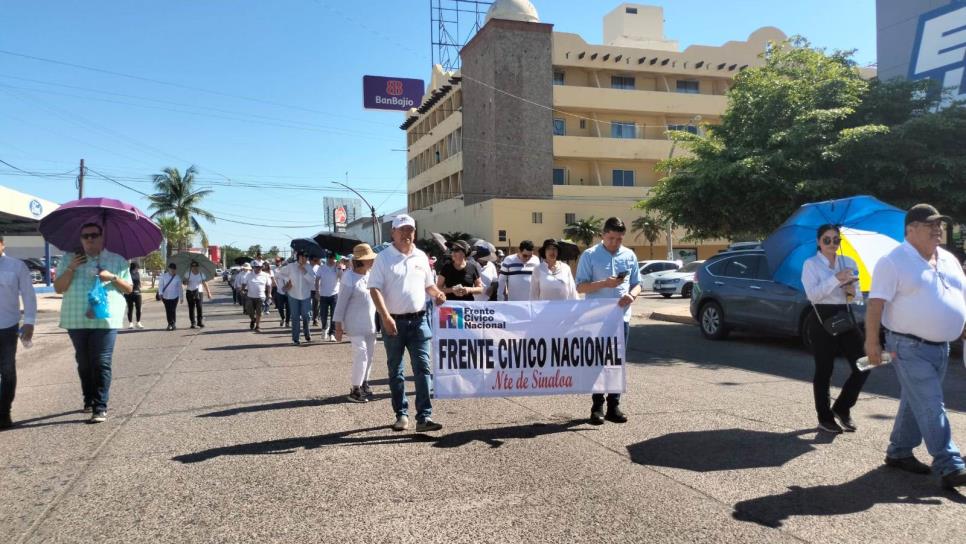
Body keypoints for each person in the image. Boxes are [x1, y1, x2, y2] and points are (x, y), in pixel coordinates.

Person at [865, 204, 966, 489]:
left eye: (940, 224)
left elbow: (961, 294)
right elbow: (875, 304)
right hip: (908, 346)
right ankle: (950, 464)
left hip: (942, 346)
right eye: (930, 224)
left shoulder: (947, 258)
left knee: (916, 400)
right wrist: (871, 341)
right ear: (910, 230)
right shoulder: (893, 261)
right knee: (932, 404)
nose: (938, 229)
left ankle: (899, 451)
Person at [369, 214, 447, 432]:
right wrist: (385, 316)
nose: (406, 234)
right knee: (396, 370)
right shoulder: (383, 258)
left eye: (410, 230)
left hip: (419, 320)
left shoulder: (421, 256)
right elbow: (374, 288)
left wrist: (438, 294)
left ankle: (424, 417)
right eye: (402, 230)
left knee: (423, 368)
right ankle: (401, 415)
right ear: (393, 232)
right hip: (393, 322)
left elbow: (429, 286)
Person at [53, 222, 133, 423]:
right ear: (80, 239)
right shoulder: (69, 259)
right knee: (84, 362)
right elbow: (58, 289)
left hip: (106, 319)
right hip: (76, 318)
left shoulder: (117, 260)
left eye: (94, 235)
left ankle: (100, 406)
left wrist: (112, 276)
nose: (89, 239)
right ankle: (88, 398)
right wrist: (71, 268)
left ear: (101, 237)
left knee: (102, 361)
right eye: (85, 236)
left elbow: (129, 289)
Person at [802, 225, 869, 433]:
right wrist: (835, 279)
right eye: (827, 240)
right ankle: (825, 417)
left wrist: (851, 291)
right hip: (821, 317)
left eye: (835, 240)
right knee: (825, 369)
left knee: (864, 363)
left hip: (843, 315)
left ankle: (842, 407)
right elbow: (812, 295)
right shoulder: (811, 264)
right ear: (818, 242)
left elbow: (857, 297)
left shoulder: (848, 262)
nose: (832, 244)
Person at [575, 217, 641, 425]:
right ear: (603, 235)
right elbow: (580, 287)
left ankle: (614, 405)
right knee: (598, 361)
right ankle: (597, 406)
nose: (614, 243)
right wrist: (605, 283)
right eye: (611, 238)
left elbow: (638, 283)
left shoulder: (629, 255)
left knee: (617, 362)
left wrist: (632, 295)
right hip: (596, 317)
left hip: (622, 317)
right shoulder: (590, 255)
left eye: (619, 239)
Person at [0, 234, 38, 429]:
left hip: (7, 327)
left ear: (2, 244)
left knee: (7, 371)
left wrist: (30, 321)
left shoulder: (16, 266)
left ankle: (4, 412)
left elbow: (29, 295)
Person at [334, 243, 379, 403]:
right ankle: (355, 389)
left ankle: (364, 382)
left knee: (370, 355)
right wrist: (338, 327)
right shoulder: (349, 278)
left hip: (370, 324)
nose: (373, 261)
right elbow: (340, 305)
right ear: (361, 261)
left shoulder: (371, 275)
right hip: (354, 325)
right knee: (362, 354)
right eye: (369, 259)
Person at [281, 252, 318, 345]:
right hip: (293, 295)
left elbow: (313, 280)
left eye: (307, 256)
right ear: (299, 257)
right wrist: (286, 282)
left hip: (306, 295)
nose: (306, 258)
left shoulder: (309, 267)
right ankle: (296, 338)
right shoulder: (290, 266)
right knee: (295, 317)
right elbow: (279, 274)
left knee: (307, 315)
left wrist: (304, 270)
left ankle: (306, 331)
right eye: (304, 256)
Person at [316, 251, 342, 341]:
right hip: (323, 294)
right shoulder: (322, 268)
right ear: (327, 258)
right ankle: (324, 328)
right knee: (323, 315)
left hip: (334, 294)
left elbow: (341, 278)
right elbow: (317, 279)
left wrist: (339, 268)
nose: (332, 260)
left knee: (334, 315)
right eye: (330, 258)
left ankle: (332, 333)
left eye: (333, 258)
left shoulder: (337, 267)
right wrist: (317, 291)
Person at [244, 262, 272, 332]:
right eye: (256, 267)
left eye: (260, 267)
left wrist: (269, 294)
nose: (258, 268)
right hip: (250, 296)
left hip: (261, 297)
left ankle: (257, 326)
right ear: (253, 267)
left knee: (259, 312)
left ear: (262, 267)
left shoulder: (266, 275)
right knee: (250, 311)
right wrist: (242, 290)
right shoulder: (248, 275)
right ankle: (253, 319)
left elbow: (269, 285)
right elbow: (244, 283)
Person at [184, 261, 212, 329]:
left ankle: (200, 322)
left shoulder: (201, 274)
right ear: (191, 267)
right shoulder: (188, 274)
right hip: (190, 292)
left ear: (198, 267)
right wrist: (186, 282)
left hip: (199, 292)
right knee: (191, 308)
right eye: (193, 266)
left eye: (195, 266)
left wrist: (209, 292)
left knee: (199, 307)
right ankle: (193, 323)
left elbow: (205, 283)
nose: (194, 267)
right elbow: (184, 283)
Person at [158, 263, 183, 331]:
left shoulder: (177, 277)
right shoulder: (163, 276)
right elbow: (160, 285)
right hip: (165, 296)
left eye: (174, 269)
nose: (172, 270)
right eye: (171, 269)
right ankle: (169, 323)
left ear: (175, 270)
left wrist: (181, 297)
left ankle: (173, 323)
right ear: (168, 269)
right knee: (168, 310)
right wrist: (160, 293)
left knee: (173, 310)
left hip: (175, 296)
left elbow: (180, 288)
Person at [124, 262, 144, 329]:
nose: (138, 269)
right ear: (134, 267)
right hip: (129, 293)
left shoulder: (138, 273)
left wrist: (141, 284)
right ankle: (130, 323)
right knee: (130, 308)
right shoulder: (128, 274)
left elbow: (140, 282)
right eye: (137, 267)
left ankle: (138, 322)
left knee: (139, 308)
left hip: (137, 293)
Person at [274, 261, 290, 328]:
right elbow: (274, 279)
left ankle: (287, 322)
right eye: (283, 267)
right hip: (280, 292)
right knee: (280, 307)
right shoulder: (278, 273)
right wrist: (277, 286)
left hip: (289, 293)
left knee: (289, 308)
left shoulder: (291, 274)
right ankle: (283, 318)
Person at [309, 255, 322, 326]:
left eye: (316, 260)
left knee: (316, 305)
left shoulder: (319, 268)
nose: (315, 262)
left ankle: (315, 319)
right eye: (314, 260)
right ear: (310, 260)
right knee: (308, 305)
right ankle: (307, 318)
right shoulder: (306, 267)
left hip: (316, 289)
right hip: (307, 289)